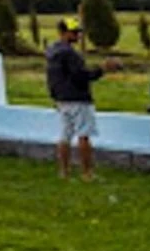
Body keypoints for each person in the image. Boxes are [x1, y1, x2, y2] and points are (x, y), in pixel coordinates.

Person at [45, 18, 107, 181]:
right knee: (84, 136)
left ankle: (64, 172)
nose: (78, 35)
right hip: (78, 99)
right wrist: (102, 69)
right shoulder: (71, 54)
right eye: (74, 32)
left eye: (78, 32)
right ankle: (87, 173)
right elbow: (81, 76)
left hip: (62, 100)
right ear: (64, 33)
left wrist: (55, 97)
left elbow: (51, 78)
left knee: (64, 136)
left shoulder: (52, 52)